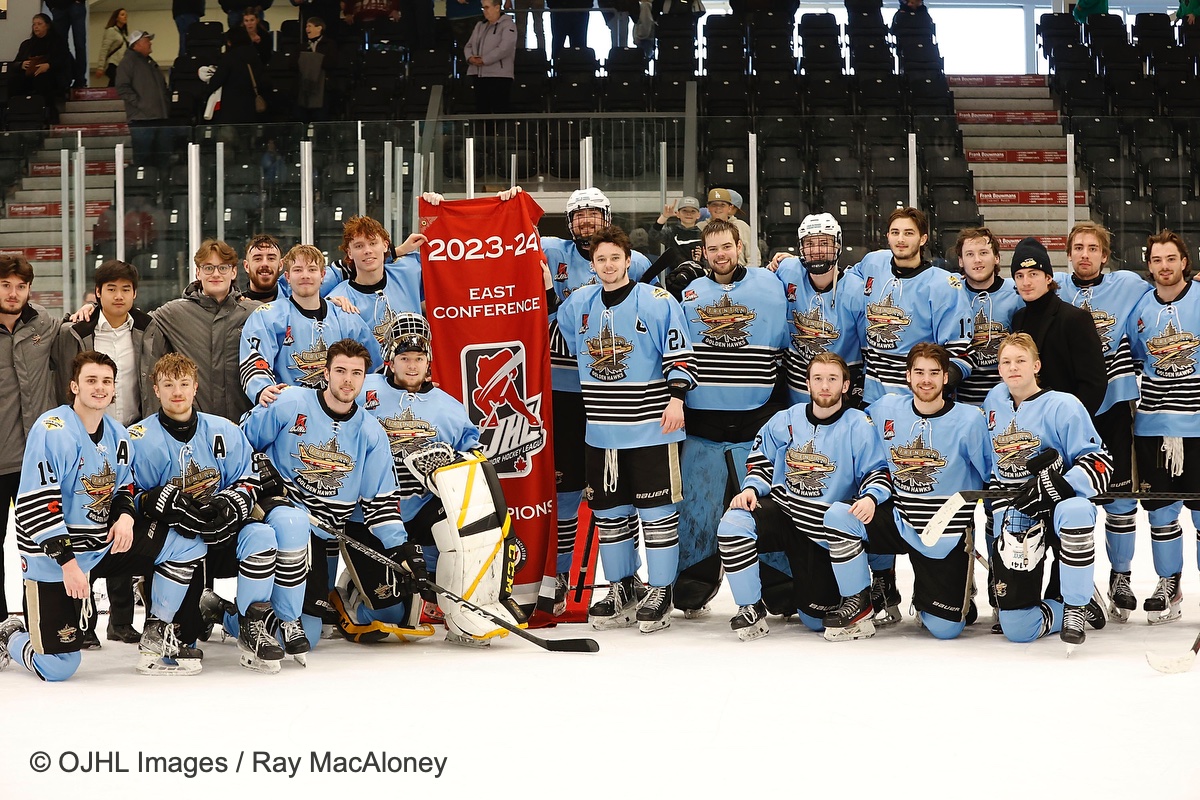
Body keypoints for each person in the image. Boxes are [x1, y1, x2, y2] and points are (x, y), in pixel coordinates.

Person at [1, 352, 207, 680]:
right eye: (91, 380)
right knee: (57, 667)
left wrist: (125, 517)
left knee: (186, 542)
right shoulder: (52, 429)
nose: (100, 388)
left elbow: (122, 489)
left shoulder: (118, 434)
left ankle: (157, 632)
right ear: (74, 386)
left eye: (106, 382)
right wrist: (68, 564)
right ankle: (10, 634)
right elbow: (36, 505)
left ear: (114, 389)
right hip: (54, 559)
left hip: (99, 549)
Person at [550, 225, 697, 632]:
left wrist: (677, 398)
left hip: (651, 427)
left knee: (657, 512)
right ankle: (622, 586)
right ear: (592, 264)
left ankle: (662, 589)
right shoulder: (578, 304)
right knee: (609, 513)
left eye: (616, 258)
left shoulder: (657, 300)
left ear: (629, 261)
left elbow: (679, 354)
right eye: (601, 259)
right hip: (601, 431)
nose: (609, 265)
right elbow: (563, 336)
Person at [133, 353, 311, 672]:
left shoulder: (224, 430)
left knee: (262, 534)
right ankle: (163, 624)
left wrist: (231, 504)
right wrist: (154, 503)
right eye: (168, 384)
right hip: (179, 544)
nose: (177, 391)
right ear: (155, 390)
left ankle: (251, 625)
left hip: (222, 532)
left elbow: (247, 477)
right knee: (187, 632)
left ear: (196, 387)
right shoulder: (138, 438)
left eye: (184, 384)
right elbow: (127, 493)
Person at [351, 313, 519, 645]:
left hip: (421, 506)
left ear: (428, 361)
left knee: (469, 528)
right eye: (404, 358)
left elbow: (473, 461)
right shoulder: (362, 389)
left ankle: (464, 609)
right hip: (369, 513)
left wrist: (456, 462)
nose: (411, 366)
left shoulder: (449, 408)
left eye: (418, 358)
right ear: (391, 359)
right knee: (391, 615)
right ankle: (352, 593)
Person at [241, 339, 420, 652]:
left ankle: (256, 610)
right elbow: (243, 441)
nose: (347, 380)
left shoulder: (370, 430)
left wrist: (401, 549)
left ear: (365, 379)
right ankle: (239, 618)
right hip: (288, 523)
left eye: (356, 373)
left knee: (315, 629)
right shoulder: (291, 402)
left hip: (327, 532)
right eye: (340, 371)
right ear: (325, 373)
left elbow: (378, 499)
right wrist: (259, 469)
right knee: (303, 633)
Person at [715, 352, 893, 641]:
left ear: (845, 386)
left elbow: (878, 470)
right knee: (734, 522)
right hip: (787, 515)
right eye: (818, 379)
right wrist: (750, 489)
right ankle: (750, 607)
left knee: (815, 618)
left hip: (825, 530)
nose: (825, 386)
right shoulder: (786, 419)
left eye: (832, 379)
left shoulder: (859, 424)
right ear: (807, 383)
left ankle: (860, 602)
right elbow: (761, 461)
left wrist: (871, 497)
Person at [541, 187, 652, 613]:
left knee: (627, 488)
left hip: (616, 392)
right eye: (578, 216)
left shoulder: (635, 261)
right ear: (569, 223)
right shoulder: (551, 251)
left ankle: (631, 577)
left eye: (593, 215)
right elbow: (498, 240)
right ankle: (565, 572)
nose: (586, 223)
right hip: (563, 391)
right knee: (568, 486)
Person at [670, 219, 788, 617]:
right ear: (703, 252)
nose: (721, 255)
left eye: (727, 247)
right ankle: (694, 577)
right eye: (713, 249)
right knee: (696, 509)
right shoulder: (688, 292)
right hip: (703, 425)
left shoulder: (770, 283)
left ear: (740, 246)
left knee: (766, 507)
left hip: (756, 422)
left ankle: (778, 578)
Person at [833, 343, 991, 637]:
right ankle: (859, 603)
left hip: (943, 530)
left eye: (934, 372)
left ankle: (944, 593)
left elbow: (989, 476)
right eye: (919, 372)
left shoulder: (970, 420)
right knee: (840, 516)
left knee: (945, 630)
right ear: (908, 376)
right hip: (898, 519)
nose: (926, 380)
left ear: (946, 377)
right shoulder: (885, 408)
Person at [984, 333, 1110, 650]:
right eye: (1006, 362)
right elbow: (991, 466)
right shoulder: (993, 402)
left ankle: (1077, 605)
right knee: (1018, 629)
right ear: (999, 369)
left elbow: (1101, 463)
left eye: (1021, 361)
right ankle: (1062, 606)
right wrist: (1000, 514)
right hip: (1019, 513)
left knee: (1078, 510)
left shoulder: (1064, 405)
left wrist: (1057, 485)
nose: (1013, 368)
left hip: (1059, 509)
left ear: (1036, 365)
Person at [1054, 221, 1150, 621]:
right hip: (1067, 411)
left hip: (1112, 406)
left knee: (1121, 497)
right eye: (1078, 247)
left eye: (1093, 248)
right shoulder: (1054, 285)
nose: (1085, 255)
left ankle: (1121, 576)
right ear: (1069, 253)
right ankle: (1079, 584)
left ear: (1105, 256)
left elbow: (1170, 289)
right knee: (1071, 496)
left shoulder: (1127, 284)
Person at [55, 259, 153, 645]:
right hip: (86, 435)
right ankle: (86, 622)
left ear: (134, 293)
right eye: (110, 289)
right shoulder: (76, 331)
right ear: (97, 293)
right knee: (86, 521)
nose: (118, 295)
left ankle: (122, 620)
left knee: (121, 524)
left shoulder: (148, 327)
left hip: (131, 434)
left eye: (126, 289)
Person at [1125, 230, 1200, 625]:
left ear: (1184, 262)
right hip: (1153, 425)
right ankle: (1167, 583)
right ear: (1149, 264)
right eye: (1157, 260)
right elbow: (1136, 360)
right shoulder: (1140, 307)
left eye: (1171, 259)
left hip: (1198, 426)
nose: (1164, 266)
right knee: (1160, 512)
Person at [851, 207, 973, 404]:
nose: (901, 239)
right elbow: (840, 279)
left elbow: (962, 355)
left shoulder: (944, 286)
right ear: (887, 236)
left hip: (917, 403)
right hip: (872, 400)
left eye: (909, 233)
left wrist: (933, 391)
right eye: (895, 232)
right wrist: (796, 264)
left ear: (923, 239)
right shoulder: (873, 263)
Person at [239, 244, 381, 406]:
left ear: (322, 275)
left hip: (339, 412)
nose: (305, 276)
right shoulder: (267, 316)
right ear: (287, 277)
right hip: (290, 411)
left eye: (312, 270)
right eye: (298, 270)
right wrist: (262, 388)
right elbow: (255, 360)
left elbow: (374, 368)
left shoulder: (346, 318)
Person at [140, 239, 261, 423]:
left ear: (234, 272)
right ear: (198, 272)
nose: (216, 274)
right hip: (194, 428)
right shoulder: (174, 313)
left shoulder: (254, 312)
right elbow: (131, 321)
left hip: (245, 424)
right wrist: (94, 307)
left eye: (223, 268)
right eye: (208, 268)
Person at [0, 255, 60, 621]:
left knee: (41, 543)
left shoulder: (45, 325)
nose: (13, 292)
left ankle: (38, 619)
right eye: (5, 284)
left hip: (36, 464)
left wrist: (89, 307)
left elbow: (75, 333)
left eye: (20, 286)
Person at [770, 213, 868, 405]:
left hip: (839, 398)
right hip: (794, 397)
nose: (816, 250)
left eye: (824, 243)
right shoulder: (788, 270)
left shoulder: (855, 290)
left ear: (837, 245)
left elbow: (868, 352)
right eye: (809, 244)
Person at [1008, 236, 1107, 416]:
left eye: (1033, 274)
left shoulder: (1075, 319)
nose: (1026, 282)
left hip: (1066, 423)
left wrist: (1070, 421)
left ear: (1048, 277)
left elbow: (1094, 384)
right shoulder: (1018, 319)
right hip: (1030, 422)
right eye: (1019, 275)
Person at [327, 216, 426, 361]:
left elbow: (445, 259)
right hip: (370, 380)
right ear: (349, 252)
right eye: (359, 246)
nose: (367, 251)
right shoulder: (339, 300)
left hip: (415, 373)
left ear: (385, 245)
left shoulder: (409, 270)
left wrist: (438, 208)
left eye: (373, 243)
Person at [956, 226, 1023, 406]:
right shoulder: (951, 293)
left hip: (1006, 399)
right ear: (961, 261)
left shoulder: (1016, 293)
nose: (977, 260)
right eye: (969, 254)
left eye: (983, 252)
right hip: (961, 400)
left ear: (996, 258)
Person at [114, 31, 171, 166]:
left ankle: (159, 184)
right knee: (143, 159)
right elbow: (122, 87)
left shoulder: (150, 62)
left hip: (159, 118)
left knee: (162, 158)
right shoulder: (127, 62)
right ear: (136, 45)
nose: (150, 43)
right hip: (141, 120)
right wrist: (140, 104)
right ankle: (145, 185)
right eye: (146, 41)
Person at [10, 15, 72, 121]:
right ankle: (15, 113)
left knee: (42, 79)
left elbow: (63, 60)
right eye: (34, 24)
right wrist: (22, 64)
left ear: (47, 26)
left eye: (39, 24)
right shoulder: (27, 44)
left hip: (51, 74)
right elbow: (15, 63)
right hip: (29, 74)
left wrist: (49, 65)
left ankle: (47, 113)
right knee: (14, 81)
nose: (36, 27)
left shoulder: (57, 42)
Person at [206, 26, 271, 125]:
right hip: (252, 109)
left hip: (231, 110)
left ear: (230, 41)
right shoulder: (255, 56)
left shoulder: (229, 57)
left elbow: (216, 81)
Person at [464, 0, 518, 116]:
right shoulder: (479, 25)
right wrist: (470, 58)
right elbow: (468, 45)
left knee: (499, 110)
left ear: (497, 7)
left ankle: (499, 134)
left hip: (499, 76)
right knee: (482, 111)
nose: (484, 11)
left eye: (487, 7)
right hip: (478, 75)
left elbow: (505, 48)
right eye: (483, 8)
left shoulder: (508, 25)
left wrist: (484, 60)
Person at [295, 16, 339, 123]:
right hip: (304, 87)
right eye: (306, 26)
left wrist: (313, 58)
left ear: (319, 28)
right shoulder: (302, 46)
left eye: (309, 26)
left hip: (322, 87)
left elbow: (331, 62)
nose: (306, 29)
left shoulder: (329, 44)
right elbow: (293, 63)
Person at [700, 188, 752, 266]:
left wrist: (745, 276)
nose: (718, 208)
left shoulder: (742, 226)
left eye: (722, 205)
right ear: (708, 207)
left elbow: (754, 258)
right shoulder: (700, 227)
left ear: (730, 207)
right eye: (714, 205)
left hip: (740, 274)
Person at [45, 0, 88, 89]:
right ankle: (66, 80)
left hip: (69, 6)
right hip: (60, 7)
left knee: (79, 44)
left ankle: (79, 80)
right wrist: (51, 6)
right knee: (61, 46)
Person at [649, 195, 704, 262]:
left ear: (698, 215)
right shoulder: (671, 232)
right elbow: (653, 235)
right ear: (678, 214)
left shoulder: (703, 235)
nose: (688, 214)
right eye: (684, 211)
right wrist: (664, 217)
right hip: (674, 271)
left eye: (693, 211)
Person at [95, 8, 130, 88]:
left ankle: (108, 96)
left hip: (121, 65)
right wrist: (100, 67)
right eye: (122, 15)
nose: (125, 17)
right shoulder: (111, 31)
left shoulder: (124, 34)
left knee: (115, 83)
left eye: (126, 15)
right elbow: (104, 49)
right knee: (117, 79)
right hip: (112, 63)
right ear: (116, 18)